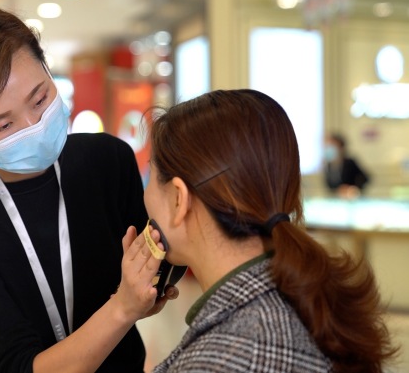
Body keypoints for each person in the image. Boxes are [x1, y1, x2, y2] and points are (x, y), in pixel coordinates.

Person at [0, 5, 177, 373]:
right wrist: (123, 307)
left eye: (40, 99)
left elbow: (164, 261)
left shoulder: (108, 161)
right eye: (2, 125)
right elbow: (17, 365)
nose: (33, 126)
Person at [143, 89, 397, 373]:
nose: (145, 196)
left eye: (151, 176)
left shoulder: (225, 358)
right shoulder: (299, 298)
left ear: (179, 199)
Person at [324, 132, 369, 198]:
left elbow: (365, 178)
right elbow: (329, 186)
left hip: (351, 199)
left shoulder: (350, 162)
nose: (329, 148)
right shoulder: (329, 165)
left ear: (340, 147)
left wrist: (353, 188)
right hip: (336, 199)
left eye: (333, 145)